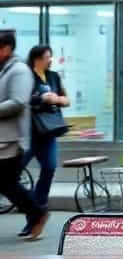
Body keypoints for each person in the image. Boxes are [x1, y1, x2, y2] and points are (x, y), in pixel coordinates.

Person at [0, 31, 46, 241]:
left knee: (7, 183)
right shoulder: (4, 70)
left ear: (6, 49)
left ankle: (37, 213)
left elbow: (18, 103)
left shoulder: (18, 71)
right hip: (3, 138)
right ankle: (36, 213)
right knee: (7, 182)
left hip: (11, 139)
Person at [21, 44, 68, 236]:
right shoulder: (25, 76)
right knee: (12, 174)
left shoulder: (54, 76)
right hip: (28, 132)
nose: (51, 60)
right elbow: (21, 100)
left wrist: (55, 99)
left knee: (49, 169)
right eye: (48, 56)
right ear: (37, 58)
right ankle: (34, 212)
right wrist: (41, 99)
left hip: (48, 131)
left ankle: (36, 214)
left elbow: (66, 100)